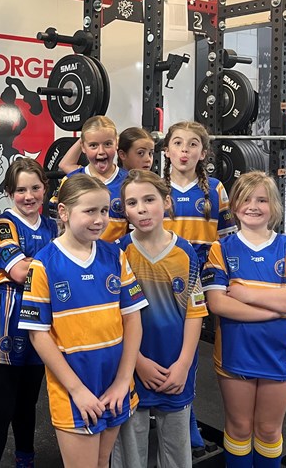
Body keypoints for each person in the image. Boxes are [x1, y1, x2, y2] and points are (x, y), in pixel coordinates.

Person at [20, 173, 147, 468]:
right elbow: (38, 335)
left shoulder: (115, 256)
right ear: (64, 212)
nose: (99, 220)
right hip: (74, 390)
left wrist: (123, 380)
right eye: (90, 211)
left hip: (115, 385)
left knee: (103, 462)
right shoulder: (44, 264)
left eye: (104, 210)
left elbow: (133, 320)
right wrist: (77, 390)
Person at [202, 171, 286, 468]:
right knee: (239, 427)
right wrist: (276, 308)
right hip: (235, 353)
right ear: (234, 205)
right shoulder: (221, 248)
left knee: (268, 429)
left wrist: (246, 293)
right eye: (246, 199)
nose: (253, 206)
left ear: (274, 206)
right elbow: (218, 303)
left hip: (281, 355)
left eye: (262, 200)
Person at [111, 170, 207, 468]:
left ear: (166, 202)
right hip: (130, 367)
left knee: (177, 452)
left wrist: (183, 364)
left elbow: (195, 312)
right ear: (124, 210)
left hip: (175, 366)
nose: (141, 209)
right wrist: (136, 362)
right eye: (132, 203)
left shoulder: (185, 253)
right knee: (130, 452)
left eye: (149, 199)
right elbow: (113, 318)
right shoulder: (118, 253)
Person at [161, 120, 237, 454]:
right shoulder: (155, 187)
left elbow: (227, 239)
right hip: (159, 283)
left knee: (188, 354)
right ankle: (159, 412)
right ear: (167, 150)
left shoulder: (215, 190)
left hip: (199, 285)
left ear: (203, 153)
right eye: (178, 143)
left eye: (193, 144)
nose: (184, 150)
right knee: (159, 349)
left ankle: (186, 425)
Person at [0, 158, 59, 468]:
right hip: (7, 323)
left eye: (35, 188)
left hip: (41, 322)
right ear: (9, 193)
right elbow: (18, 272)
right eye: (20, 190)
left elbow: (32, 268)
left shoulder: (52, 225)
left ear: (45, 188)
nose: (29, 196)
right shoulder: (3, 224)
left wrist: (33, 264)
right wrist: (52, 267)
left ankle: (25, 460)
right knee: (3, 407)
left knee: (29, 402)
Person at [50, 116, 128, 242]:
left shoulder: (129, 182)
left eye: (108, 144)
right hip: (78, 252)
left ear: (117, 143)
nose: (101, 151)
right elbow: (57, 223)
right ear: (82, 146)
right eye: (93, 145)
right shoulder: (71, 180)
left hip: (117, 253)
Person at [58, 126, 156, 174]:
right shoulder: (91, 176)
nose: (148, 159)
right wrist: (88, 133)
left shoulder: (152, 185)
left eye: (150, 153)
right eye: (140, 153)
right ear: (122, 154)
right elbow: (65, 165)